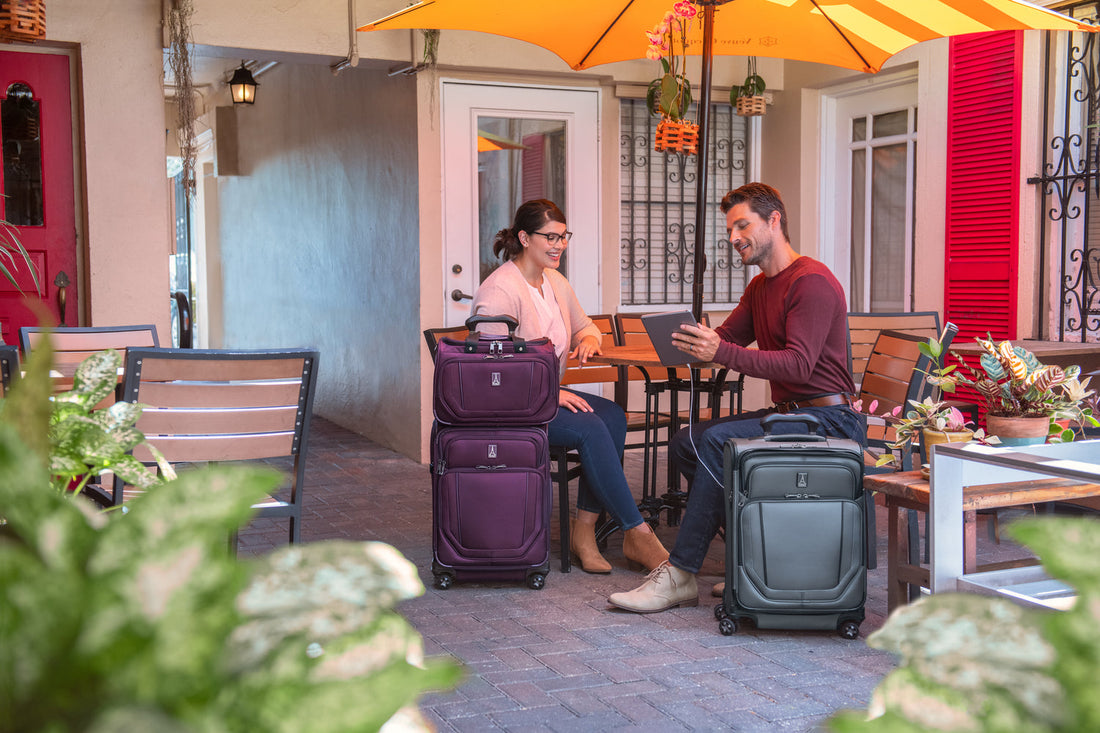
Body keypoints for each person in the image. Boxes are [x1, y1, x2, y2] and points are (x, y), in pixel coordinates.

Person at [608, 182, 866, 613]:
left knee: (713, 442)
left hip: (830, 421)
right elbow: (729, 337)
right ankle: (751, 561)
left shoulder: (812, 283)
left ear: (774, 221)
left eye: (743, 225)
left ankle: (681, 572)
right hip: (793, 414)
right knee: (687, 443)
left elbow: (799, 365)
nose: (733, 238)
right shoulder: (761, 286)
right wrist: (693, 339)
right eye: (730, 229)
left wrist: (721, 351)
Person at [470, 199, 669, 574]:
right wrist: (550, 391)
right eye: (550, 237)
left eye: (564, 236)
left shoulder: (554, 281)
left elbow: (586, 326)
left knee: (611, 417)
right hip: (511, 406)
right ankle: (636, 531)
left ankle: (584, 530)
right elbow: (490, 368)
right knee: (592, 427)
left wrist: (591, 339)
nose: (559, 244)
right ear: (525, 238)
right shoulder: (500, 291)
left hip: (542, 400)